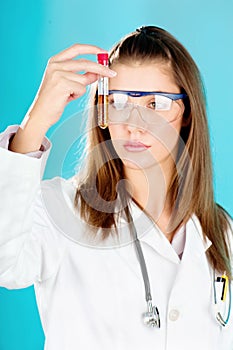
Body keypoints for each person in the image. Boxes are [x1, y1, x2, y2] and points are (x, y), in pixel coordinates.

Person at [0, 25, 232, 350]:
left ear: (187, 113)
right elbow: (3, 262)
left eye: (156, 104)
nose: (134, 123)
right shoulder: (61, 210)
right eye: (119, 101)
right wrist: (36, 120)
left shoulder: (221, 232)